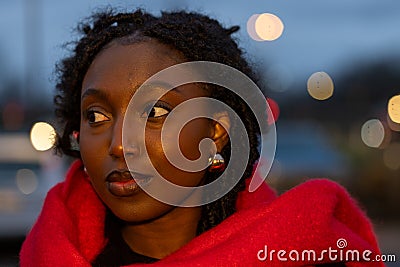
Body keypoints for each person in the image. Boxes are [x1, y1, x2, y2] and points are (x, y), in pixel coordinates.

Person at [20, 8, 384, 266]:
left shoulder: (307, 255)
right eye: (97, 116)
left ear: (216, 131)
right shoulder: (46, 251)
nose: (118, 144)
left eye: (155, 112)